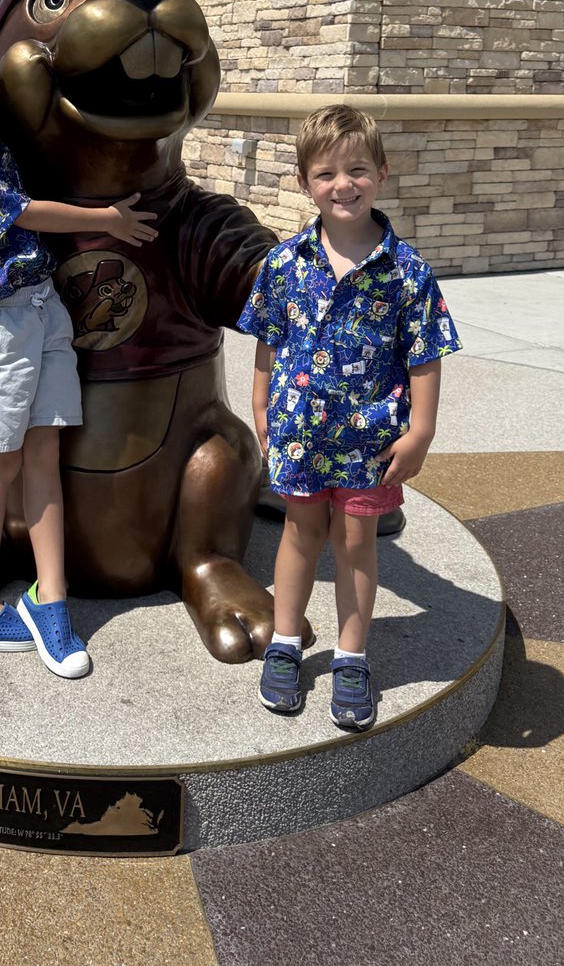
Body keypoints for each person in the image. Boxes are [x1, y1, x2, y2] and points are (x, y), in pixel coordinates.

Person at [0, 7, 157, 678]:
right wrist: (106, 219)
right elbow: (24, 212)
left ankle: (51, 599)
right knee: (1, 463)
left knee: (44, 454)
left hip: (42, 308)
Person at [238, 104, 461, 729]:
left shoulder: (408, 273)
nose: (344, 184)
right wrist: (259, 403)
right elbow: (269, 340)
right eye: (326, 173)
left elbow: (424, 356)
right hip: (300, 434)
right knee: (300, 534)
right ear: (305, 181)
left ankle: (352, 656)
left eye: (358, 169)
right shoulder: (285, 263)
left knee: (357, 542)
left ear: (381, 173)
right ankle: (286, 643)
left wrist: (421, 431)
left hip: (371, 442)